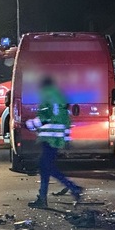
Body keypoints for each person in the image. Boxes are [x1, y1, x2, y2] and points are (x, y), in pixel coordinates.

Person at [27, 76, 82, 208]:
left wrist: (30, 124)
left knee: (46, 166)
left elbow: (44, 117)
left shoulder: (46, 96)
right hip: (57, 139)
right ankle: (43, 198)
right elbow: (67, 121)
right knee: (45, 167)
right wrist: (66, 139)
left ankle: (73, 188)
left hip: (48, 137)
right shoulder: (60, 98)